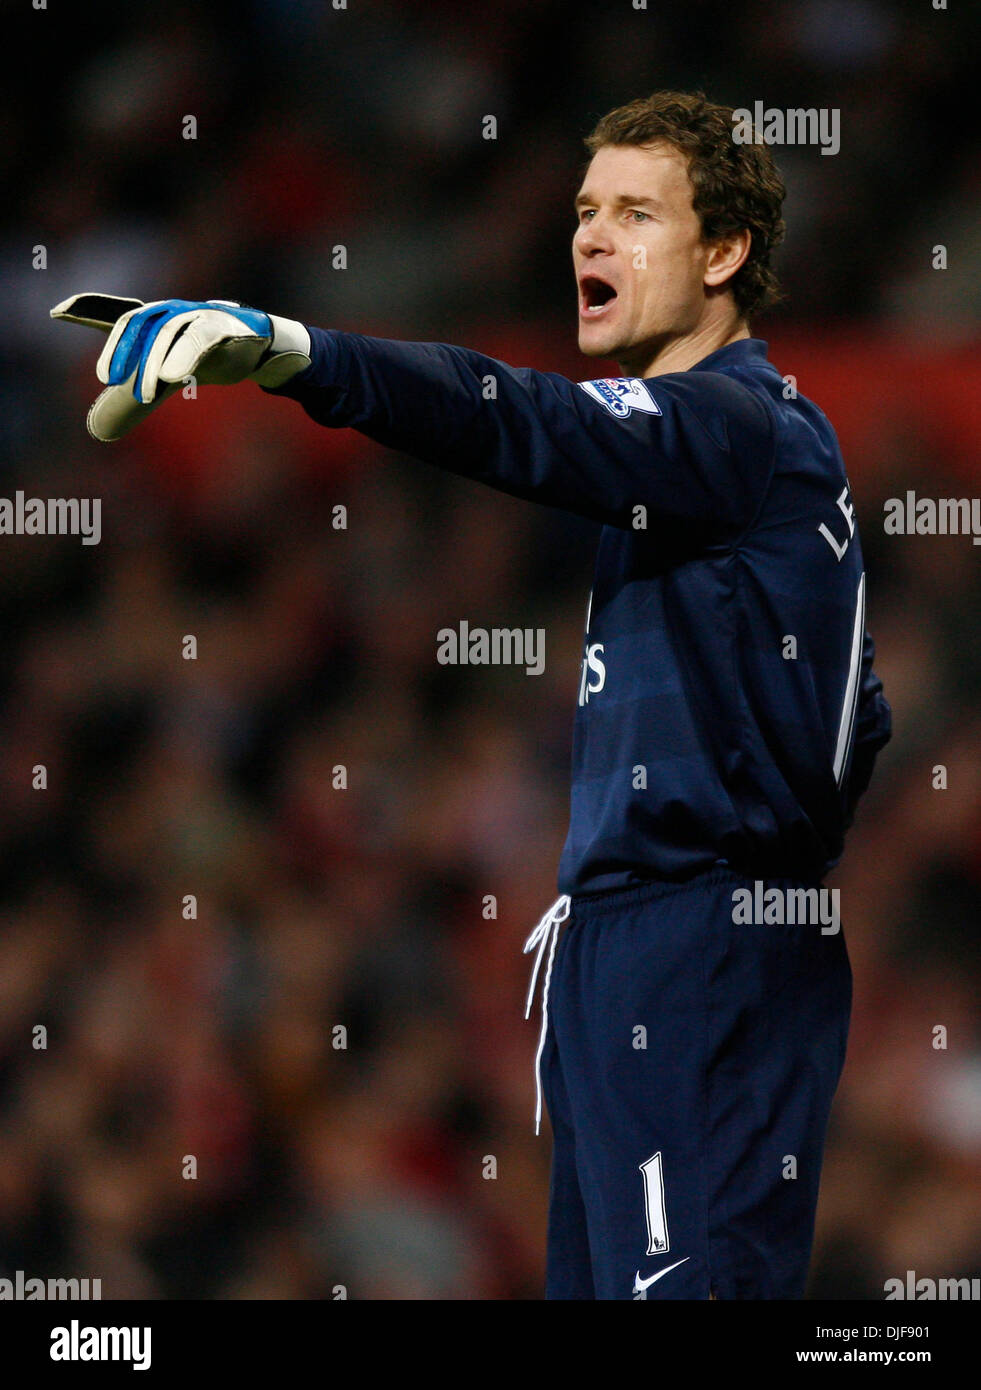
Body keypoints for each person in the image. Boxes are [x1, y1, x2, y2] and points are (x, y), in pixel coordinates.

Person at [52, 89, 891, 1301]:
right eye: (585, 210)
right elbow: (856, 718)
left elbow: (528, 420)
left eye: (637, 213)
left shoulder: (744, 425)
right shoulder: (715, 478)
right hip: (632, 947)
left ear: (724, 252)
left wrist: (304, 353)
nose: (592, 237)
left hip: (699, 950)